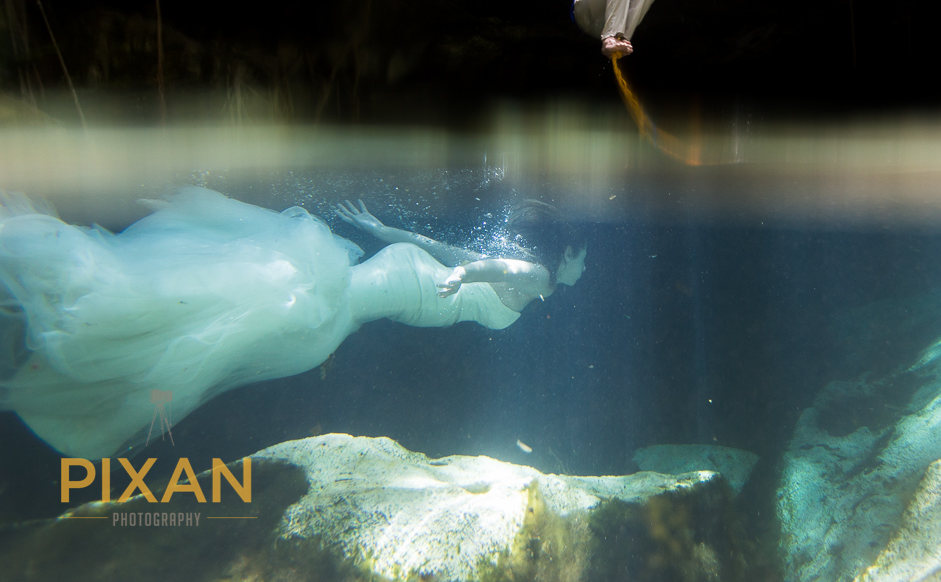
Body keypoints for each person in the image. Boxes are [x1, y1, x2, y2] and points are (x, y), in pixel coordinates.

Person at [0, 188, 586, 459]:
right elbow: (486, 262)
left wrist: (386, 233)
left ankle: (83, 315)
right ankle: (86, 316)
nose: (585, 265)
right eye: (584, 255)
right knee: (252, 315)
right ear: (564, 254)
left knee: (240, 308)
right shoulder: (538, 276)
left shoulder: (530, 280)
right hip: (388, 290)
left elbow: (450, 249)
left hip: (390, 286)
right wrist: (461, 278)